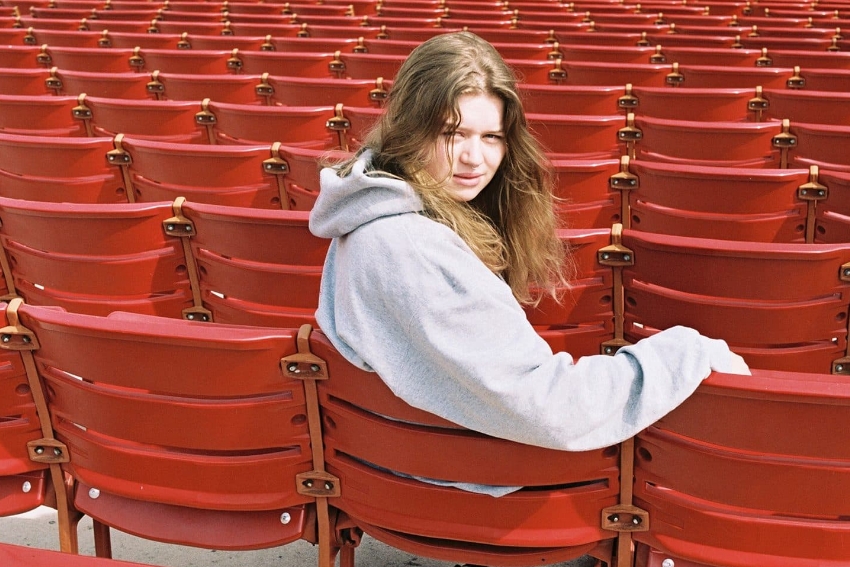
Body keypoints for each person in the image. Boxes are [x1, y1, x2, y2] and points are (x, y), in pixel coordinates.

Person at [308, 31, 749, 455]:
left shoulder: (365, 212)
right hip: (487, 486)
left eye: (491, 137)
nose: (474, 159)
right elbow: (553, 410)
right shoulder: (414, 250)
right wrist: (684, 354)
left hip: (409, 463)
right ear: (409, 130)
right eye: (451, 133)